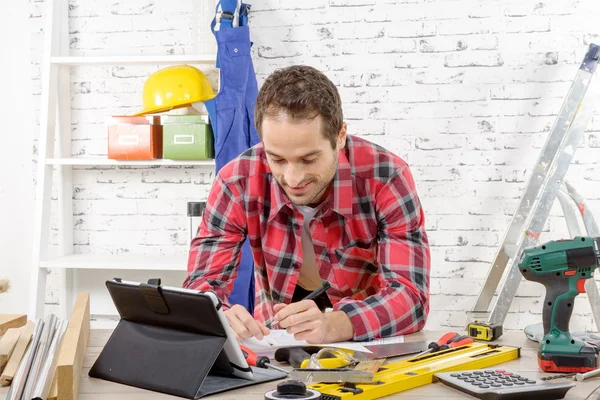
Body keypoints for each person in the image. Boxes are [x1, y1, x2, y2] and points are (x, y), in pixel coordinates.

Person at [183, 65, 431, 343]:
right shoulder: (235, 181)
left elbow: (411, 296)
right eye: (276, 159)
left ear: (340, 136)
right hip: (277, 340)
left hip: (367, 341)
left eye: (309, 159)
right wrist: (218, 313)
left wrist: (336, 324)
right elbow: (201, 287)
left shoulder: (386, 177)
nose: (293, 178)